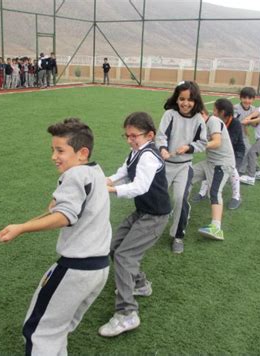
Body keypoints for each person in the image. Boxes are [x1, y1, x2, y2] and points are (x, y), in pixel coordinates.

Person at [0, 118, 111, 355]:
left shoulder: (74, 175)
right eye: (53, 150)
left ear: (82, 153)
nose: (53, 156)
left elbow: (65, 216)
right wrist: (57, 203)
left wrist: (21, 228)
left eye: (60, 150)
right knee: (57, 329)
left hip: (75, 268)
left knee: (40, 331)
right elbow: (68, 204)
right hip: (99, 268)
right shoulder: (94, 171)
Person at [99, 112, 171, 337]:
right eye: (127, 135)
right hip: (143, 212)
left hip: (155, 217)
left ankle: (127, 313)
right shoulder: (136, 152)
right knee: (114, 247)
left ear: (149, 135)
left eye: (134, 136)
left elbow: (140, 187)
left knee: (124, 256)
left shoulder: (149, 156)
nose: (130, 140)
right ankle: (140, 284)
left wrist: (110, 190)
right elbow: (124, 171)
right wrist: (107, 180)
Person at [155, 81, 207, 253]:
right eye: (182, 99)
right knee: (157, 199)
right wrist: (162, 149)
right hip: (165, 165)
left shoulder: (199, 119)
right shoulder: (170, 114)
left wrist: (188, 147)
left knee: (180, 199)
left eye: (190, 100)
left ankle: (177, 235)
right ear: (176, 99)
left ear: (196, 101)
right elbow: (160, 136)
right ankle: (151, 230)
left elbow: (202, 142)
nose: (186, 103)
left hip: (184, 167)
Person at [191, 105, 236, 241]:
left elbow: (216, 142)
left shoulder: (213, 121)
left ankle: (216, 228)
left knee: (214, 192)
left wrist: (195, 146)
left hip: (221, 164)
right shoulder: (200, 125)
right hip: (209, 162)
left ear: (202, 113)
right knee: (186, 175)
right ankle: (181, 209)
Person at [194, 99, 245, 210]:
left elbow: (229, 141)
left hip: (235, 151)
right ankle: (202, 192)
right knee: (209, 169)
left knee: (232, 170)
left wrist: (204, 144)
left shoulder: (234, 123)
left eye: (215, 110)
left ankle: (236, 196)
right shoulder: (213, 120)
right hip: (219, 153)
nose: (213, 112)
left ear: (222, 112)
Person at [232, 87, 257, 175]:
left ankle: (241, 170)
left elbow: (254, 124)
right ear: (240, 98)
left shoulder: (253, 110)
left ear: (253, 99)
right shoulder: (235, 108)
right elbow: (233, 123)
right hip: (233, 135)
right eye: (244, 98)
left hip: (243, 135)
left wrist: (252, 122)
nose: (247, 100)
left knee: (249, 150)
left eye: (249, 98)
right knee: (234, 151)